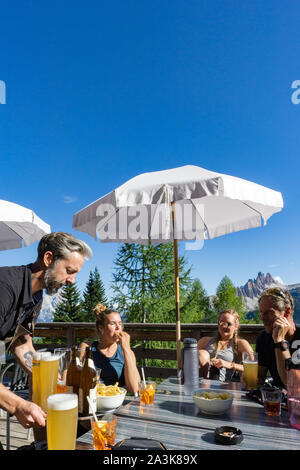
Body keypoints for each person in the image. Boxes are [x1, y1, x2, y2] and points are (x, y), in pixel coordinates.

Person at [0, 232, 92, 431]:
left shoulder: (35, 297)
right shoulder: (4, 287)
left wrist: (55, 380)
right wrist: (17, 405)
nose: (72, 281)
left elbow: (22, 344)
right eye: (69, 270)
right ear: (48, 259)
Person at [79, 303, 140, 394]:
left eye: (120, 323)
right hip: (92, 398)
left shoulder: (126, 352)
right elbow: (77, 376)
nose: (118, 328)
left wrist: (126, 349)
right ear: (101, 328)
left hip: (116, 400)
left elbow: (135, 389)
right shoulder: (87, 348)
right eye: (113, 324)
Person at [257, 287, 300, 389]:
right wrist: (249, 379)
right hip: (277, 401)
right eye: (261, 312)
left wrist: (279, 342)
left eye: (269, 312)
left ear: (287, 312)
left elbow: (294, 387)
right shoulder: (263, 338)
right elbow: (260, 376)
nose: (262, 318)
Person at [197, 309, 254, 382]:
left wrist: (229, 365)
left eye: (229, 324)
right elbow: (189, 360)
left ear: (236, 326)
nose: (224, 326)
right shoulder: (205, 341)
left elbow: (253, 368)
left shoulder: (240, 344)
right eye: (222, 323)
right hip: (201, 381)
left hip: (223, 385)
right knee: (202, 354)